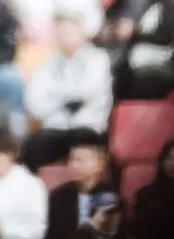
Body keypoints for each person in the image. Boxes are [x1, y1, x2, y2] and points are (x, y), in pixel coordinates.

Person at [21, 11, 115, 163]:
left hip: (88, 127)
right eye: (60, 32)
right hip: (56, 128)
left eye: (68, 31)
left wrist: (54, 97)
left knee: (81, 140)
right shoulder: (49, 63)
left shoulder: (97, 59)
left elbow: (86, 93)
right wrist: (64, 101)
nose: (63, 36)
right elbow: (34, 103)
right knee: (32, 144)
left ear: (82, 33)